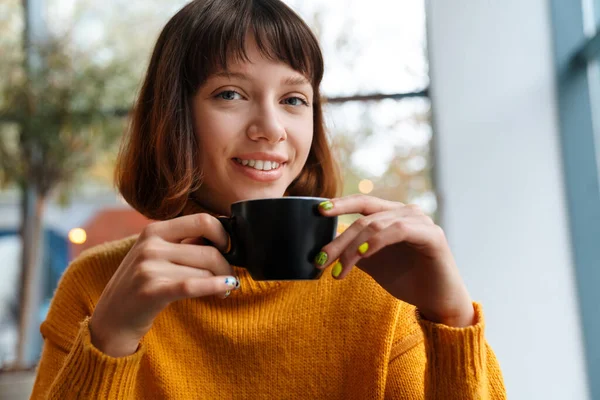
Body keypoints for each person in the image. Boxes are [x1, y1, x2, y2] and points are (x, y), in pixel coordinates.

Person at [30, 0, 506, 398]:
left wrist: (451, 318)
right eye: (231, 94)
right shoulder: (97, 286)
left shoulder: (382, 281)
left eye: (294, 99)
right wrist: (111, 338)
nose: (272, 128)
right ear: (175, 117)